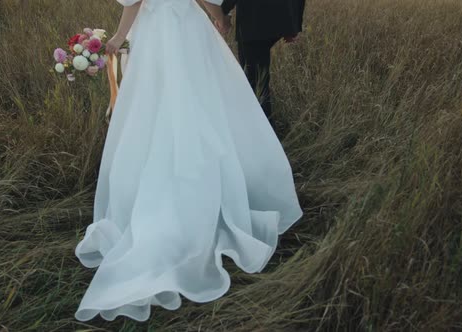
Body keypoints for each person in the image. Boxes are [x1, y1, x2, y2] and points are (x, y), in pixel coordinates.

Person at [74, 0, 303, 322]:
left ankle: (172, 181)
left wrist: (117, 36)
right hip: (188, 29)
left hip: (155, 33)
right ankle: (205, 174)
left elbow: (133, 2)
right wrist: (218, 15)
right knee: (203, 100)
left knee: (158, 105)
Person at [216, 0, 305, 126]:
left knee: (255, 86)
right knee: (258, 82)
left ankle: (265, 136)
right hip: (280, 16)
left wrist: (222, 13)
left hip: (255, 21)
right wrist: (293, 24)